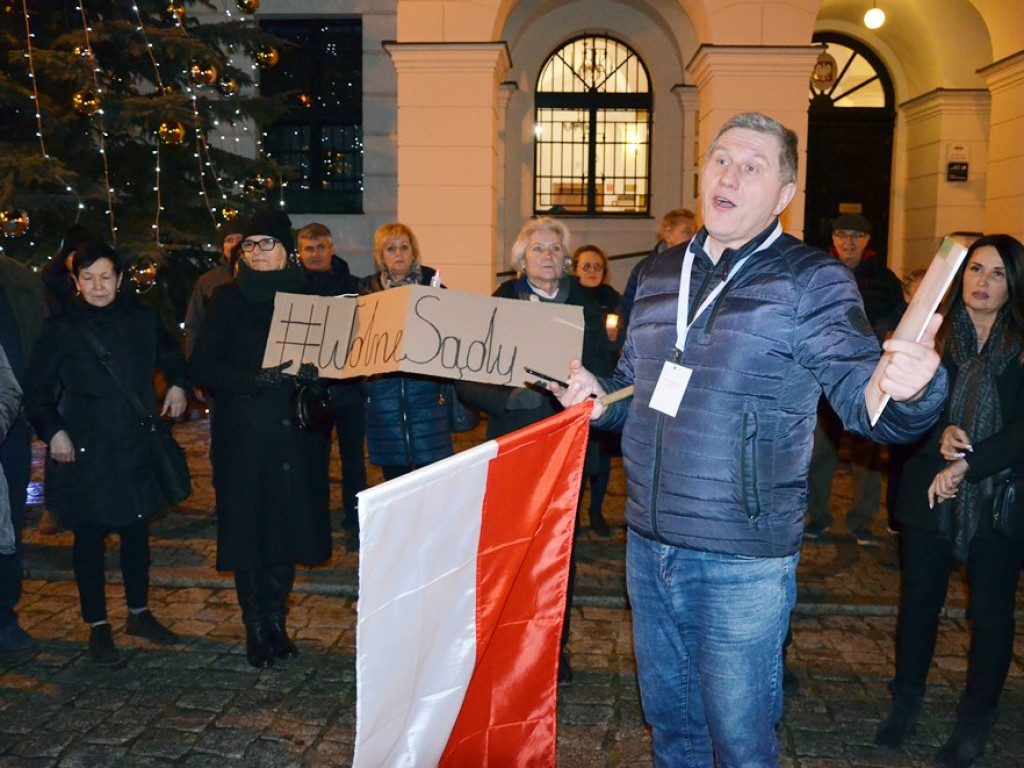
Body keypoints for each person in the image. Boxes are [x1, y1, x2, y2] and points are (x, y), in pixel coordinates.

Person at [555, 111, 947, 767]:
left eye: (751, 166)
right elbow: (633, 388)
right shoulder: (657, 273)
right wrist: (600, 401)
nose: (728, 174)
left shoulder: (810, 280)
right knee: (673, 733)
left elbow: (866, 405)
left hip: (741, 560)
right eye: (719, 160)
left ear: (784, 196)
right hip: (648, 547)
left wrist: (915, 389)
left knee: (739, 743)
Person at [874, 235, 1024, 768]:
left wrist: (969, 462)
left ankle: (974, 720)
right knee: (918, 604)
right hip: (928, 491)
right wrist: (936, 429)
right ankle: (904, 704)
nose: (981, 282)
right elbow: (892, 406)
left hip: (998, 497)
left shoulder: (1021, 344)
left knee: (991, 614)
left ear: (1015, 284)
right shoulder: (932, 337)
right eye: (975, 269)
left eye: (997, 274)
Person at [458, 217, 613, 683]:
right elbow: (467, 378)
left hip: (568, 445)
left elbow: (608, 374)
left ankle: (553, 646)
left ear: (566, 258)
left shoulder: (588, 307)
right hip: (514, 444)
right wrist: (507, 398)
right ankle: (507, 642)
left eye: (554, 249)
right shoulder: (499, 304)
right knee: (511, 550)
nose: (548, 256)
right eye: (537, 249)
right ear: (520, 259)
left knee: (559, 553)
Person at [22, 243, 188, 665]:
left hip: (134, 444)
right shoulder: (61, 327)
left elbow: (172, 353)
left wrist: (176, 383)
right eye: (88, 278)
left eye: (106, 277)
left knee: (136, 532)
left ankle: (139, 613)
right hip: (84, 449)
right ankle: (97, 625)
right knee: (90, 538)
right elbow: (36, 391)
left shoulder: (143, 318)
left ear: (119, 278)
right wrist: (53, 431)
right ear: (76, 282)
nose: (98, 286)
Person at [190, 210, 332, 669]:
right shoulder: (226, 300)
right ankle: (255, 625)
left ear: (286, 250)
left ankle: (277, 620)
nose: (255, 252)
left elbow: (334, 358)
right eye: (249, 246)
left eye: (265, 244)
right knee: (251, 530)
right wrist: (256, 379)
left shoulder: (309, 296)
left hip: (295, 437)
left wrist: (317, 374)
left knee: (287, 528)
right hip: (245, 437)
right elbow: (203, 367)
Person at [805, 213, 906, 545]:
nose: (848, 242)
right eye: (841, 234)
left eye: (856, 236)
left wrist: (881, 334)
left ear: (867, 241)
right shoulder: (818, 270)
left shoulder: (883, 278)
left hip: (867, 375)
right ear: (833, 237)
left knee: (868, 453)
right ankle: (818, 516)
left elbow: (898, 314)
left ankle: (861, 520)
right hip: (824, 373)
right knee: (820, 449)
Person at [358, 223, 453, 480]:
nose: (398, 254)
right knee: (395, 481)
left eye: (404, 247)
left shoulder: (434, 289)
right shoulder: (365, 291)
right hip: (383, 399)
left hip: (426, 397)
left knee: (431, 481)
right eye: (391, 249)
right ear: (381, 256)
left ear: (414, 253)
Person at [296, 222, 366, 552]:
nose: (314, 254)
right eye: (308, 248)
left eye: (320, 247)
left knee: (354, 460)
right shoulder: (292, 286)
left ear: (331, 248)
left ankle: (355, 521)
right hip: (309, 391)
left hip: (348, 386)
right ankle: (314, 522)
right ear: (299, 252)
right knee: (314, 460)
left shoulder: (353, 286)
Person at [0, 251, 47, 650]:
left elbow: (34, 347)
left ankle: (3, 616)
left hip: (8, 427)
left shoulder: (19, 280)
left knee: (8, 523)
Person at [572, 243, 622, 535]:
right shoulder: (570, 298)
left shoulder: (612, 299)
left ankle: (597, 511)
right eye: (585, 266)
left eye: (597, 267)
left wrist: (614, 338)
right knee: (578, 455)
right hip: (577, 385)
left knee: (602, 457)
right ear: (575, 269)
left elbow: (624, 343)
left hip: (606, 385)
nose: (592, 271)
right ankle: (574, 514)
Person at [620, 208, 697, 322]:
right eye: (687, 232)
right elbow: (629, 308)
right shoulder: (646, 269)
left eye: (696, 232)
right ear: (668, 235)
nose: (694, 237)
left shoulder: (699, 266)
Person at [183, 220, 245, 359]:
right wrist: (192, 359)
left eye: (239, 239)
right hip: (215, 358)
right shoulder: (207, 281)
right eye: (229, 240)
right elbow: (193, 324)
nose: (234, 244)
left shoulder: (260, 277)